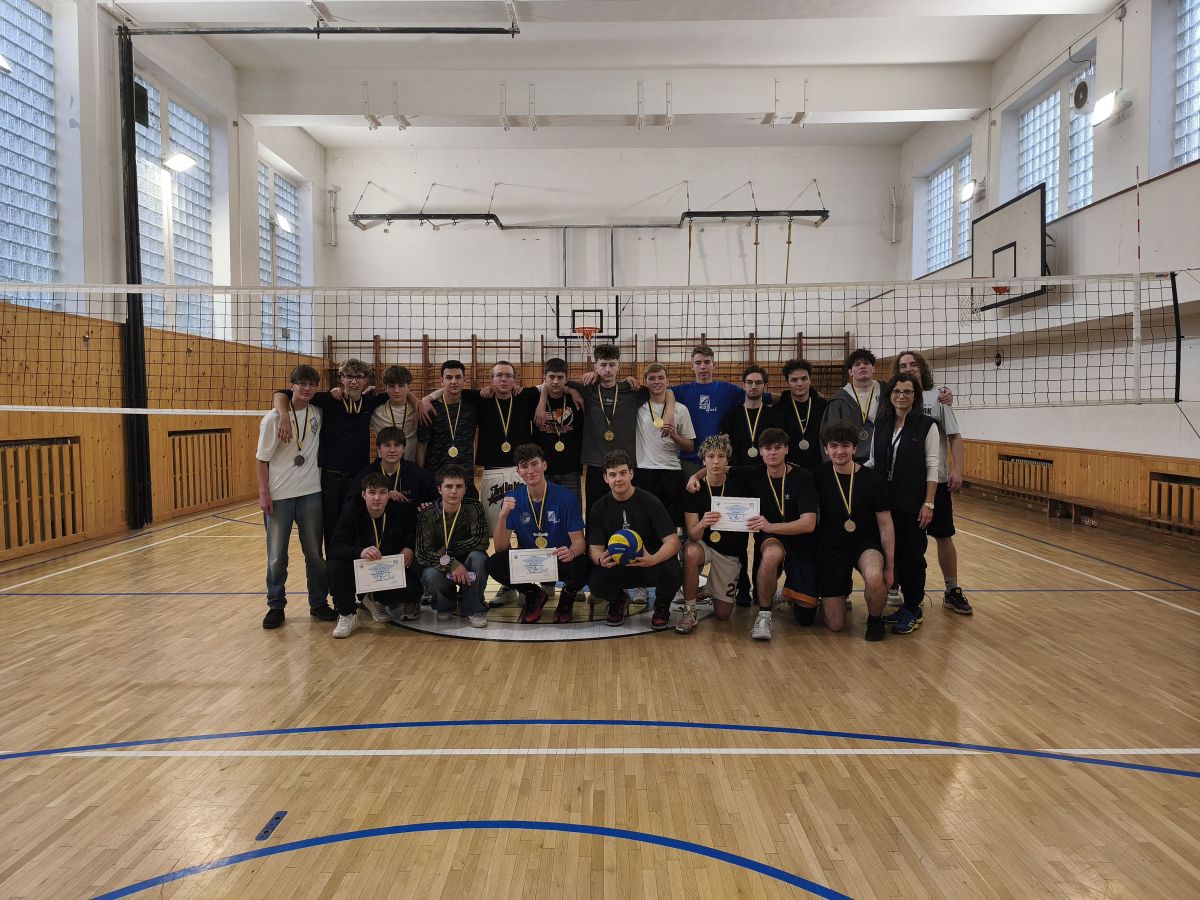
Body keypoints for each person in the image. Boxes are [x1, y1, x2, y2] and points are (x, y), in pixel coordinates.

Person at [272, 357, 388, 553]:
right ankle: (334, 569)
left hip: (358, 479)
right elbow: (281, 393)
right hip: (331, 479)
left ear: (365, 380)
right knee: (332, 529)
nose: (354, 381)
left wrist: (423, 401)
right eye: (349, 376)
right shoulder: (329, 400)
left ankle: (356, 569)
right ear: (341, 378)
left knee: (357, 528)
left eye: (359, 377)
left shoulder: (370, 401)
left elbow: (400, 392)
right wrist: (284, 415)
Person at [549, 343, 675, 514]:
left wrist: (669, 414)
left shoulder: (631, 390)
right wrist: (570, 391)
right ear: (595, 367)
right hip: (596, 464)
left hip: (625, 464)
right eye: (603, 365)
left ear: (618, 366)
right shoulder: (587, 389)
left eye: (612, 365)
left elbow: (667, 391)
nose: (607, 370)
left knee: (627, 513)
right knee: (594, 512)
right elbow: (552, 384)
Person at [256, 365, 333, 628]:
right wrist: (264, 493)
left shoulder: (318, 412)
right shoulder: (273, 419)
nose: (307, 388)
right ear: (292, 386)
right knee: (277, 556)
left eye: (312, 384)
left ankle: (319, 603)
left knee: (315, 554)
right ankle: (275, 605)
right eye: (302, 383)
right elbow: (261, 460)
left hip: (311, 494)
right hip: (280, 497)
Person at [897, 350, 972, 615]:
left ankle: (952, 590)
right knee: (904, 539)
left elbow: (954, 435)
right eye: (903, 365)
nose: (909, 368)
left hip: (936, 480)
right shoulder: (894, 397)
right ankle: (900, 588)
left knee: (943, 536)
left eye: (913, 364)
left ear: (922, 369)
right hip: (904, 483)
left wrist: (958, 469)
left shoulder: (938, 398)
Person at [488, 443, 590, 624]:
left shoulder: (566, 497)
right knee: (494, 564)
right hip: (530, 561)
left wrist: (572, 552)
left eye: (534, 464)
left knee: (583, 563)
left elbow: (579, 542)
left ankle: (567, 597)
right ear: (518, 471)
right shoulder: (512, 499)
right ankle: (533, 594)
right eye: (524, 466)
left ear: (544, 465)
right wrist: (502, 516)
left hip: (558, 559)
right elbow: (501, 548)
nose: (530, 470)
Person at [812, 422, 895, 642]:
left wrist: (889, 566)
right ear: (826, 449)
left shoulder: (872, 479)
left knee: (875, 576)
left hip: (865, 544)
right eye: (834, 446)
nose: (840, 451)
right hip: (831, 546)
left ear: (855, 448)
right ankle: (836, 589)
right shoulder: (818, 474)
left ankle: (875, 621)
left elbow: (886, 524)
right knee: (835, 625)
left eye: (845, 445)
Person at [872, 372, 939, 635]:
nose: (902, 396)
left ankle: (913, 607)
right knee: (891, 554)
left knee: (912, 556)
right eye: (897, 391)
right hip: (883, 501)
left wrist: (929, 503)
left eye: (907, 392)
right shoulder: (882, 422)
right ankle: (903, 605)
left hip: (911, 501)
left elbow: (933, 466)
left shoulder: (927, 425)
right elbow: (874, 460)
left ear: (915, 396)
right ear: (890, 395)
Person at [586, 450, 683, 629]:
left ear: (631, 473)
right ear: (606, 478)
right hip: (618, 565)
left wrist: (653, 559)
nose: (618, 479)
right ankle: (618, 600)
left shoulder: (650, 502)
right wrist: (600, 560)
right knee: (595, 581)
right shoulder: (599, 508)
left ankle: (661, 605)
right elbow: (594, 548)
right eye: (613, 475)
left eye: (623, 473)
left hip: (649, 564)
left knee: (673, 572)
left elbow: (673, 542)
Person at [327, 472, 420, 638]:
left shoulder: (399, 511)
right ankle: (348, 614)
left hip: (386, 570)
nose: (377, 498)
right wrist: (359, 552)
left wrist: (409, 548)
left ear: (389, 494)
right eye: (372, 492)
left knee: (414, 590)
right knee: (335, 565)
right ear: (364, 495)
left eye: (382, 492)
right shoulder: (351, 512)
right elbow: (335, 547)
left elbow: (411, 533)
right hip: (360, 568)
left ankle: (373, 599)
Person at [679, 435, 748, 634]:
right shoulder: (694, 489)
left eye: (721, 456)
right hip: (704, 545)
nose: (716, 461)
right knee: (691, 551)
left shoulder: (740, 484)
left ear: (728, 459)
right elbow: (692, 535)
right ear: (703, 460)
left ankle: (709, 588)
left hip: (729, 552)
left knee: (723, 615)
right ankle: (690, 610)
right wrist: (702, 523)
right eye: (710, 456)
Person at [415, 465, 491, 627]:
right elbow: (422, 553)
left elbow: (482, 541)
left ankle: (473, 607)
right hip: (441, 565)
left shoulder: (474, 507)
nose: (454, 491)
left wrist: (447, 552)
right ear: (439, 489)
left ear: (465, 489)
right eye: (449, 486)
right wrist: (451, 564)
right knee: (430, 574)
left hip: (467, 561)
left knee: (479, 558)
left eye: (459, 486)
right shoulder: (427, 514)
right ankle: (445, 604)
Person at [673, 345, 750, 479]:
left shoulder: (728, 390)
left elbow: (757, 395)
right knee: (691, 492)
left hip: (718, 460)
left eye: (707, 362)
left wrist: (787, 396)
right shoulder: (681, 391)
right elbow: (657, 392)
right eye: (698, 363)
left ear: (714, 365)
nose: (703, 366)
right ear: (692, 367)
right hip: (690, 461)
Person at [634, 363, 695, 529]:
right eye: (652, 378)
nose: (657, 382)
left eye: (661, 378)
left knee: (671, 523)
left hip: (671, 471)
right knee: (644, 521)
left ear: (668, 381)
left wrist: (674, 435)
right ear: (645, 382)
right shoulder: (638, 407)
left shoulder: (681, 410)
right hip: (644, 470)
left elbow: (689, 446)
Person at [416, 360, 480, 496]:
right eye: (449, 377)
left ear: (464, 380)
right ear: (442, 381)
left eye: (458, 377)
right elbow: (421, 446)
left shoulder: (473, 407)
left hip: (465, 478)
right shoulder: (430, 409)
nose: (453, 381)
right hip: (436, 478)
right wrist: (420, 476)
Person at [532, 358, 584, 503]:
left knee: (572, 512)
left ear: (566, 379)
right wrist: (542, 400)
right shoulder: (534, 399)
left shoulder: (576, 399)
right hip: (543, 470)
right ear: (545, 378)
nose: (555, 381)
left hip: (570, 470)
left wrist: (571, 390)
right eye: (551, 377)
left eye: (560, 377)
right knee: (544, 512)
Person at [348, 426, 436, 509]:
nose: (392, 450)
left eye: (397, 445)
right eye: (387, 445)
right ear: (378, 449)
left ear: (404, 449)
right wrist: (384, 495)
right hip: (376, 520)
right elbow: (350, 505)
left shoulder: (418, 474)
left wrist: (428, 509)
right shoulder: (366, 474)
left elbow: (437, 500)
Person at [718, 366, 783, 467]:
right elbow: (726, 450)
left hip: (766, 472)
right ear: (743, 385)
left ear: (765, 386)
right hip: (737, 472)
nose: (753, 386)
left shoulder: (775, 417)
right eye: (749, 382)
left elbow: (779, 447)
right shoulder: (730, 417)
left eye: (758, 383)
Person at [775, 359, 828, 471]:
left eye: (804, 379)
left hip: (820, 468)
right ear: (787, 383)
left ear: (810, 380)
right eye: (794, 380)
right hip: (789, 469)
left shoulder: (822, 406)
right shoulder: (778, 410)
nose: (800, 384)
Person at [370, 365, 419, 462]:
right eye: (392, 386)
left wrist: (418, 406)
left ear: (408, 387)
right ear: (385, 388)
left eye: (401, 385)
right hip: (386, 467)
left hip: (412, 466)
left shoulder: (417, 411)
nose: (396, 390)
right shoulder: (376, 413)